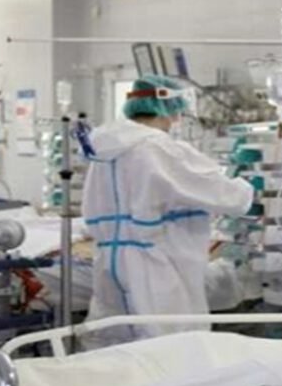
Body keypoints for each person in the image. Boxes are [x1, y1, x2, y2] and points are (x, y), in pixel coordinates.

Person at [82, 75, 254, 339]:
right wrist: (249, 188)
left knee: (114, 342)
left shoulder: (105, 151)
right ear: (170, 109)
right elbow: (223, 194)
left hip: (109, 263)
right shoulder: (158, 148)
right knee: (170, 343)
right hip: (155, 264)